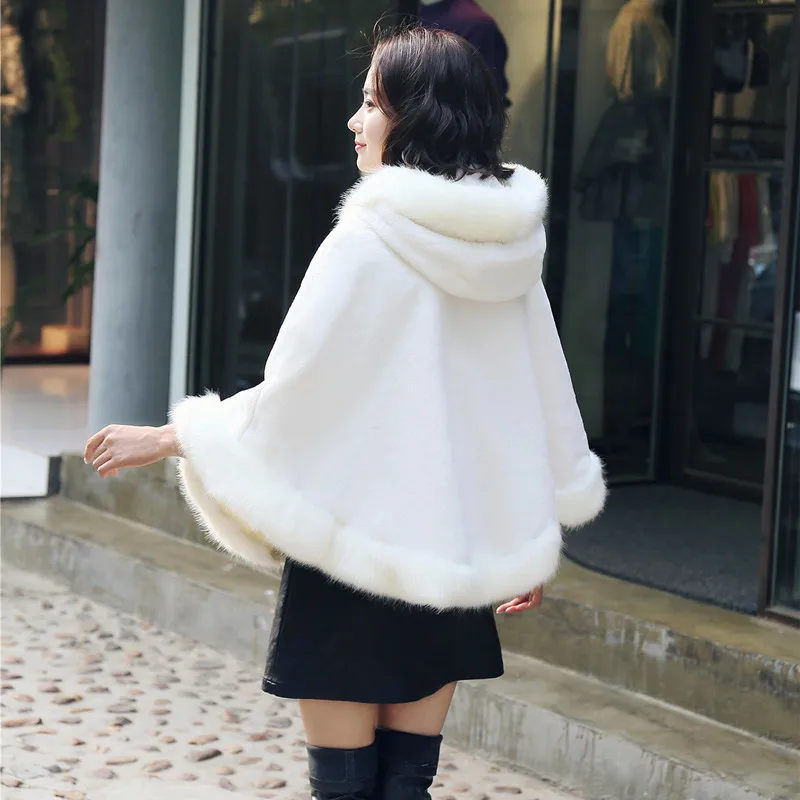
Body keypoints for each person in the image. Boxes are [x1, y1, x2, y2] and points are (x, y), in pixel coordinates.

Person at [85, 25, 606, 800]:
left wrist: (173, 435)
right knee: (406, 785)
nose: (355, 121)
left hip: (351, 557)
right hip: (451, 552)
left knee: (346, 789)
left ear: (417, 117)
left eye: (371, 103)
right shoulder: (508, 252)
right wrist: (531, 534)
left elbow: (295, 395)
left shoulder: (367, 240)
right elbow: (539, 398)